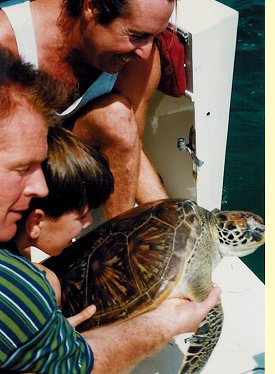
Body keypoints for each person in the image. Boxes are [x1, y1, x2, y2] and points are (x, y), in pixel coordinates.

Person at [0, 48, 221, 373]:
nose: (41, 188)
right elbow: (79, 366)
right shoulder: (20, 290)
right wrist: (169, 323)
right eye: (22, 168)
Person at [0, 0, 174, 219]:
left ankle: (123, 240)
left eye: (155, 37)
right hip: (12, 175)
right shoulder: (7, 42)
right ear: (92, 8)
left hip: (60, 167)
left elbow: (130, 148)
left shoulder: (140, 63)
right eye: (137, 36)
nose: (147, 52)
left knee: (116, 119)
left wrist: (171, 219)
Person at [12, 125, 114, 305]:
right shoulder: (45, 283)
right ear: (36, 222)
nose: (90, 221)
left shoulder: (19, 246)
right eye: (82, 216)